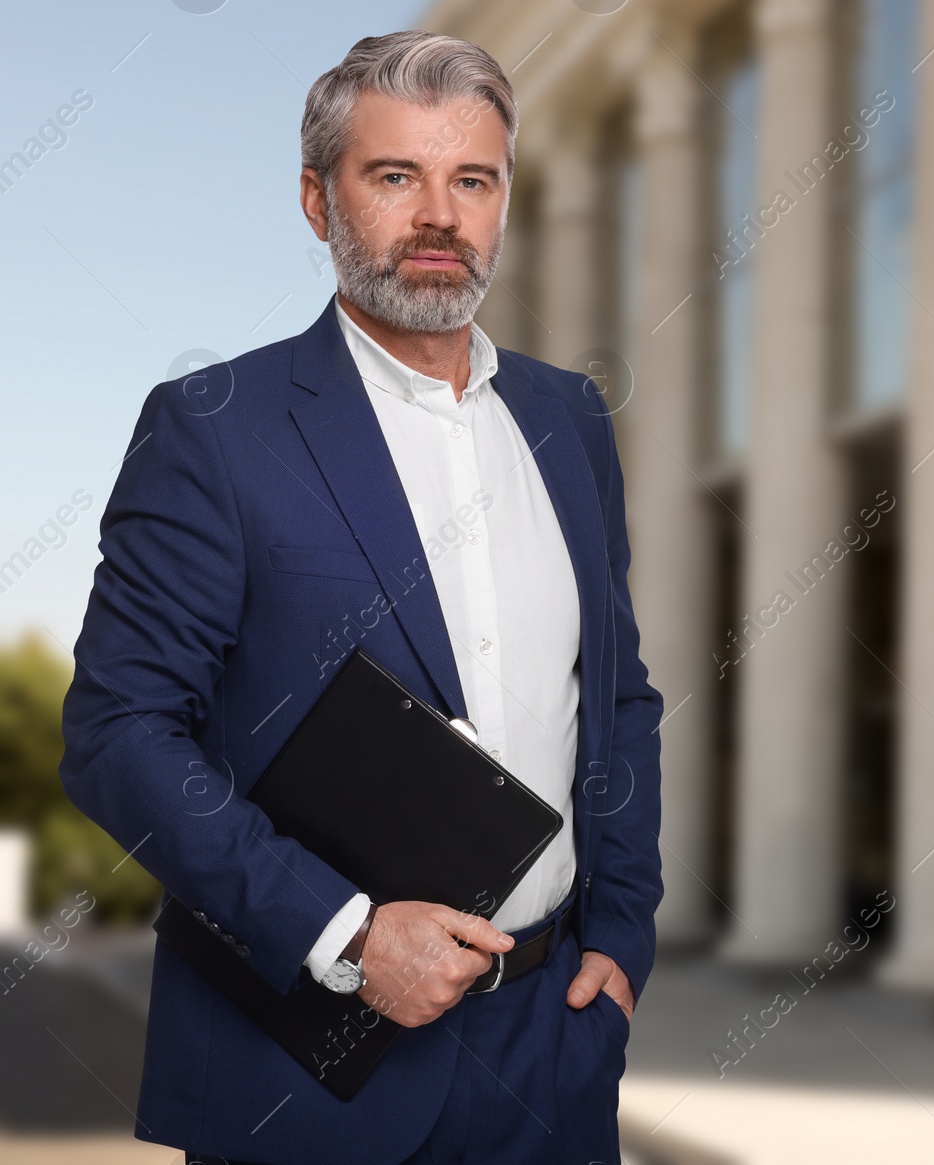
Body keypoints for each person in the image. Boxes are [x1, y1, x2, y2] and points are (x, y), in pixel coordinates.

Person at [58, 30, 662, 1165]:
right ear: (315, 198)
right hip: (306, 1074)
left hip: (552, 1046)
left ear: (503, 199)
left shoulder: (569, 419)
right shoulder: (216, 430)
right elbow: (115, 735)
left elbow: (618, 696)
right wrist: (342, 934)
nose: (440, 215)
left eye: (471, 179)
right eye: (396, 176)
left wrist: (623, 938)